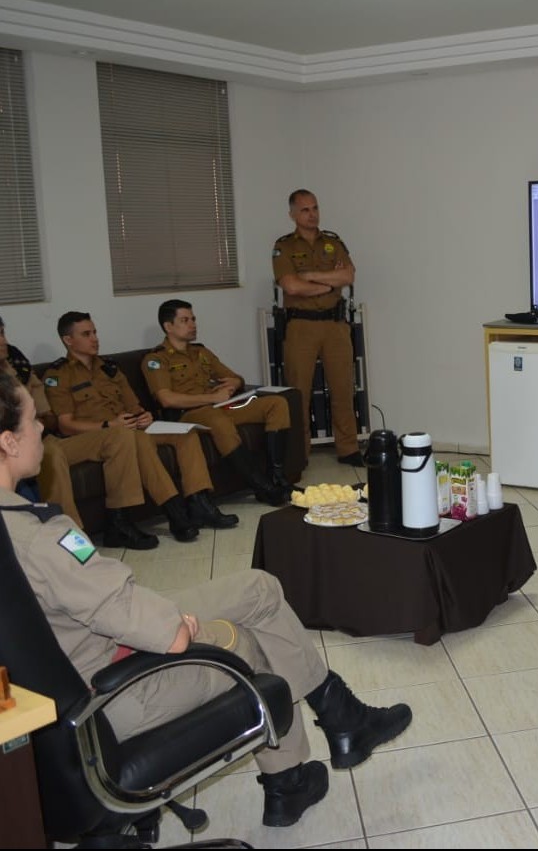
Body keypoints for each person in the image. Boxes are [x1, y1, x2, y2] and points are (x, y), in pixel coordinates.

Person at [0, 368, 412, 828]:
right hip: (108, 688)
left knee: (259, 587)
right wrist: (174, 624)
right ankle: (288, 781)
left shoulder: (14, 526)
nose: (41, 428)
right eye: (33, 420)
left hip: (79, 659)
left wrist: (156, 615)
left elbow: (100, 601)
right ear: (8, 442)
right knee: (244, 642)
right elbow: (169, 636)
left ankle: (340, 716)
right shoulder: (44, 538)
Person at [44, 312, 238, 541]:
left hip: (129, 427)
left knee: (185, 434)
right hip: (98, 435)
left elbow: (133, 404)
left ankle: (199, 503)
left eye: (95, 332)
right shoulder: (58, 375)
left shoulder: (110, 368)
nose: (94, 338)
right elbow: (66, 426)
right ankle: (175, 513)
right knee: (136, 439)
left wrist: (143, 415)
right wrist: (108, 424)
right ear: (68, 340)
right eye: (86, 334)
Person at [0, 315, 159, 550]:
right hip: (16, 445)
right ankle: (74, 543)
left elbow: (48, 418)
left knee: (117, 436)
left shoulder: (18, 368)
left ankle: (116, 525)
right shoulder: (57, 373)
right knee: (51, 455)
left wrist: (35, 425)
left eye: (3, 333)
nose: (3, 340)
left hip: (42, 438)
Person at [141, 300, 291, 507]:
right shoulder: (155, 359)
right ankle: (262, 486)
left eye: (193, 319)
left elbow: (232, 376)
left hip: (219, 408)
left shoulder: (201, 352)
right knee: (216, 419)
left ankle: (277, 476)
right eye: (185, 320)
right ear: (168, 327)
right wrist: (212, 398)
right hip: (189, 415)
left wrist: (236, 382)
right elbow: (167, 399)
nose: (192, 324)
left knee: (276, 403)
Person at [272, 189, 362, 466]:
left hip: (335, 325)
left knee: (343, 389)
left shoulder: (333, 242)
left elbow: (348, 275)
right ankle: (300, 453)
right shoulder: (284, 246)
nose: (312, 214)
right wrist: (328, 283)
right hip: (301, 326)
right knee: (299, 392)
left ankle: (348, 449)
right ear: (292, 214)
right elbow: (290, 285)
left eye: (315, 208)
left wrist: (311, 276)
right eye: (305, 210)